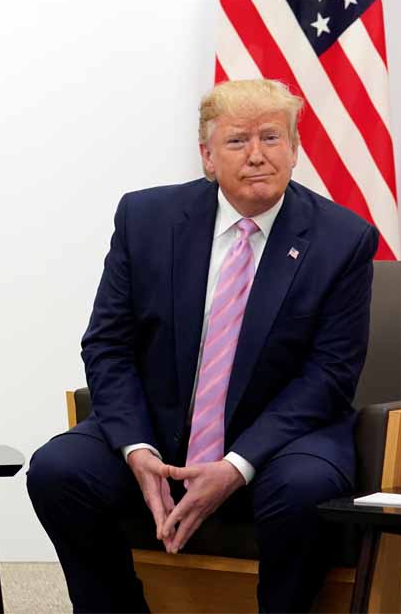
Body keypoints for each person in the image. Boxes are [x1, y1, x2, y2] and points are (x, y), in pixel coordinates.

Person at [26, 79, 377, 613]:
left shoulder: (342, 240)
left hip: (282, 439)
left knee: (304, 489)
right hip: (161, 428)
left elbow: (330, 375)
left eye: (271, 137)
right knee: (57, 470)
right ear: (208, 157)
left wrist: (237, 463)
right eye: (237, 141)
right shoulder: (146, 219)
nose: (257, 155)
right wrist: (137, 449)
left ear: (295, 149)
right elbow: (107, 345)